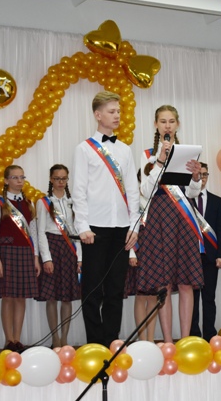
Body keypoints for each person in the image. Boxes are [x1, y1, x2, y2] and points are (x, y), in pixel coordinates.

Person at [72, 91, 140, 347]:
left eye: (118, 112)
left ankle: (111, 340)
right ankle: (94, 343)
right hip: (94, 228)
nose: (117, 116)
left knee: (115, 288)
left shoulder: (125, 150)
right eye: (112, 112)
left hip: (122, 227)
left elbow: (133, 190)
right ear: (98, 115)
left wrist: (134, 226)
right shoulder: (84, 149)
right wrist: (82, 226)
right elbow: (79, 190)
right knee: (92, 288)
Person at [137, 104, 203, 342]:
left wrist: (196, 178)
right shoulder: (147, 155)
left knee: (186, 283)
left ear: (177, 125)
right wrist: (159, 162)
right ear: (156, 125)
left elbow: (193, 193)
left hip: (183, 219)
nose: (167, 126)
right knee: (162, 283)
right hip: (158, 219)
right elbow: (145, 191)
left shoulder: (187, 153)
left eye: (171, 121)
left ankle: (184, 340)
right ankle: (167, 341)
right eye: (163, 121)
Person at [0, 165, 40, 351]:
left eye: (22, 177)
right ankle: (8, 339)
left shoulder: (29, 203)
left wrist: (36, 257)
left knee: (21, 298)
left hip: (25, 253)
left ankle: (17, 339)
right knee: (8, 297)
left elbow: (33, 232)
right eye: (15, 177)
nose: (19, 181)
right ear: (6, 180)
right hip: (6, 253)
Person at [36, 164, 81, 348]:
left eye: (64, 178)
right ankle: (55, 339)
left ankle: (64, 339)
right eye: (57, 178)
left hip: (69, 248)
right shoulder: (44, 202)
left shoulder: (74, 202)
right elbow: (40, 232)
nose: (61, 182)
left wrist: (80, 258)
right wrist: (46, 258)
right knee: (52, 297)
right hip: (52, 246)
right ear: (51, 179)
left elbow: (77, 230)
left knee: (67, 297)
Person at [187, 162, 221, 341]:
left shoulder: (217, 200)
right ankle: (194, 335)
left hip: (211, 256)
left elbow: (220, 229)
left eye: (205, 174)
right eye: (199, 174)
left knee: (209, 298)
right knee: (192, 299)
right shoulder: (186, 200)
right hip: (191, 256)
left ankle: (210, 334)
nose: (202, 178)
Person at [125, 169, 159, 342]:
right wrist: (131, 252)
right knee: (141, 295)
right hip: (139, 247)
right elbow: (130, 226)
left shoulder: (159, 195)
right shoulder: (133, 197)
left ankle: (150, 339)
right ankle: (142, 338)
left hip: (156, 247)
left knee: (153, 296)